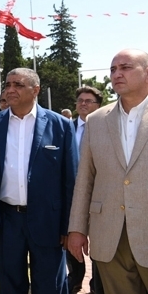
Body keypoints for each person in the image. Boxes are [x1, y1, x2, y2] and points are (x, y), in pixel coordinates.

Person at [0, 68, 78, 294]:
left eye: (18, 85)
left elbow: (71, 180)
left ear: (35, 90)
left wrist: (70, 225)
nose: (10, 90)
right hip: (6, 221)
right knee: (10, 285)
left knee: (50, 286)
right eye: (8, 84)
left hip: (48, 221)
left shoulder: (60, 125)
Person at [68, 49, 148, 294]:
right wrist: (77, 228)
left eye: (125, 67)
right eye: (113, 69)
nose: (117, 74)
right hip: (109, 234)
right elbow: (86, 178)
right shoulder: (96, 120)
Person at [66, 86, 103, 294]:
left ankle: (96, 283)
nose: (83, 104)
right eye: (80, 100)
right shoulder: (66, 128)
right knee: (72, 239)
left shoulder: (105, 127)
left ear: (98, 105)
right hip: (73, 196)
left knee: (99, 244)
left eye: (88, 101)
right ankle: (75, 278)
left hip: (100, 196)